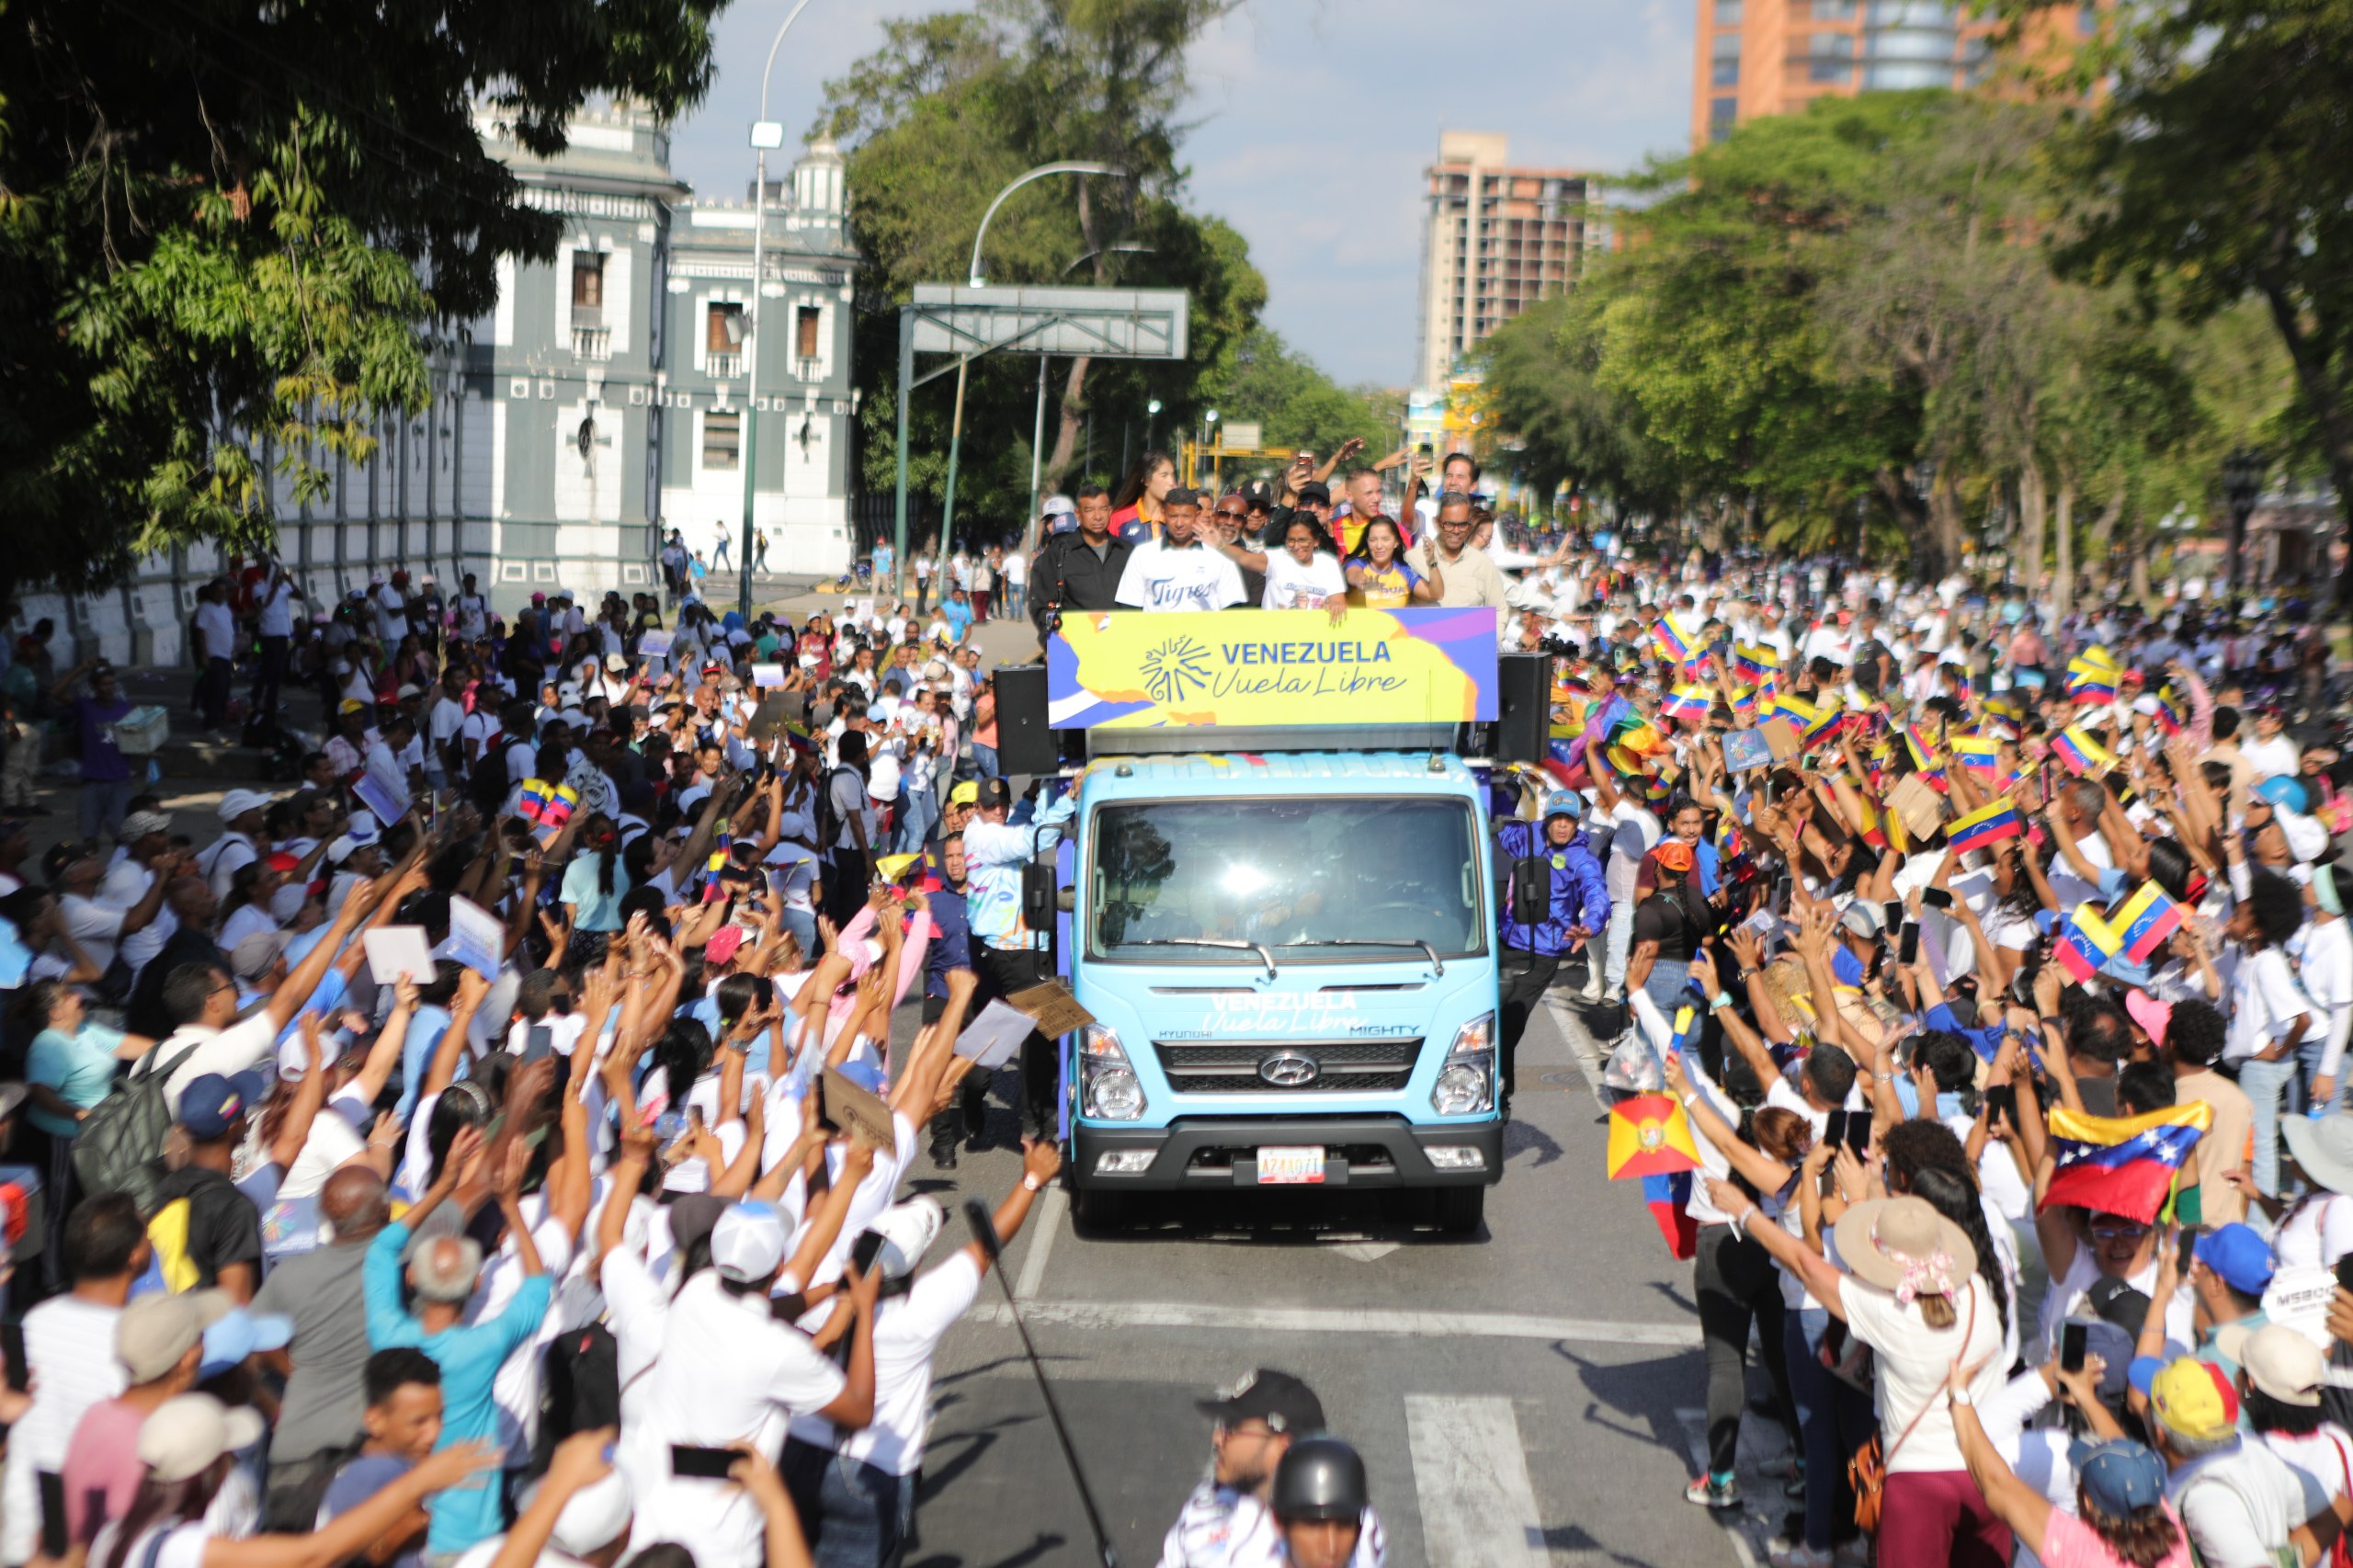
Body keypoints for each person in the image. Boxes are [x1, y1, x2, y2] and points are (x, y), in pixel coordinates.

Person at [782, 1142, 1062, 1567]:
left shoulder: (822, 1287)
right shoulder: (921, 1309)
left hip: (797, 1450)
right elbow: (987, 1246)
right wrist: (1031, 1180)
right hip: (869, 1469)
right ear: (916, 1263)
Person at [1493, 790, 1608, 1112]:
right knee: (1481, 1021)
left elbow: (1596, 893)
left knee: (1507, 1024)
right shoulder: (1528, 835)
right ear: (1546, 818)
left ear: (1576, 823)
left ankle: (1500, 1092)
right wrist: (1501, 783)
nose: (1561, 826)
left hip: (1541, 955)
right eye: (1556, 818)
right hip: (1504, 943)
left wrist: (1591, 924)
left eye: (1568, 820)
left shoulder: (1582, 859)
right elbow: (1497, 824)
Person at [1114, 488, 1246, 613]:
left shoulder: (1220, 556)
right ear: (1163, 514)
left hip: (1204, 637)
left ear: (1197, 514)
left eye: (1186, 516)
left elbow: (1232, 612)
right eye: (1173, 516)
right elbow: (1129, 610)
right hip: (1157, 636)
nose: (1179, 523)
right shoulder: (1142, 555)